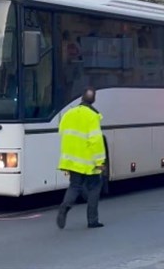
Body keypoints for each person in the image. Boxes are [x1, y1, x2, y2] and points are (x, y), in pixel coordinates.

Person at [56, 87, 106, 229]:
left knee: (74, 186)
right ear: (94, 100)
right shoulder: (92, 116)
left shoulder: (68, 114)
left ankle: (65, 206)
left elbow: (62, 132)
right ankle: (92, 220)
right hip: (89, 162)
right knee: (95, 188)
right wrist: (100, 162)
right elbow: (96, 141)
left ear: (81, 98)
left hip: (72, 160)